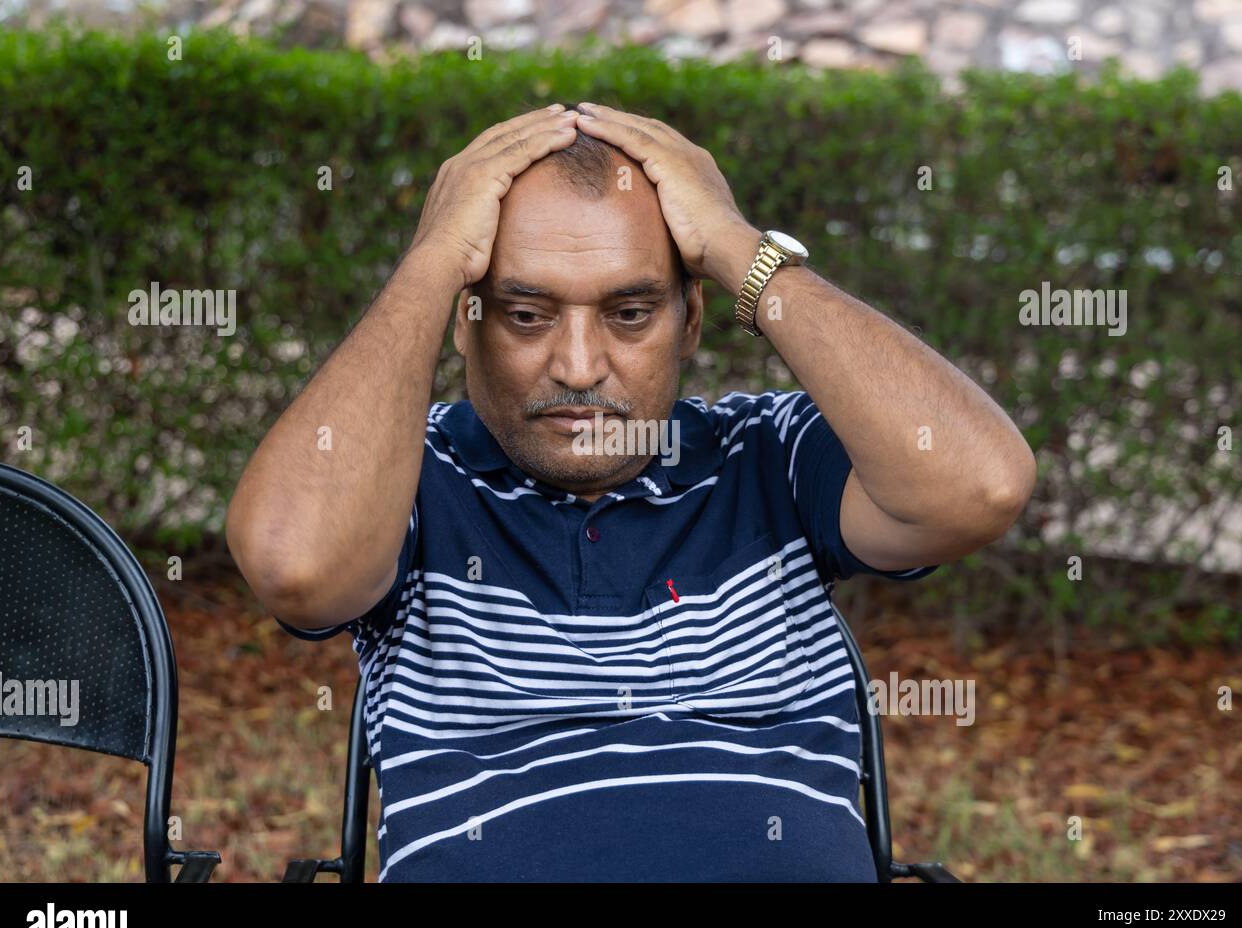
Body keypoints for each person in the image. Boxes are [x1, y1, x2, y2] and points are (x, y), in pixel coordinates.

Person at [226, 101, 1036, 881]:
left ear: (690, 322)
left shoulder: (767, 457)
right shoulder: (412, 476)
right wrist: (432, 261)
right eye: (525, 314)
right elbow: (298, 568)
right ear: (463, 320)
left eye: (630, 311)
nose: (579, 366)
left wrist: (735, 246)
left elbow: (980, 484)